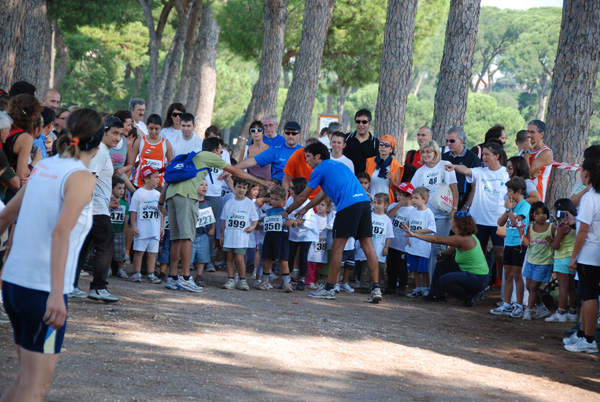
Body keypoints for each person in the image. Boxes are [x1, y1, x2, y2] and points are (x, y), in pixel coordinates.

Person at [0, 108, 99, 401]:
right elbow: (60, 232)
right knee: (36, 387)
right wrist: (57, 293)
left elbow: (6, 217)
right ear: (98, 143)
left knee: (25, 379)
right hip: (41, 291)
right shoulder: (81, 177)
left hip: (16, 285)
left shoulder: (43, 166)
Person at [158, 137, 272, 292]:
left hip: (172, 195)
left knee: (177, 239)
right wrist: (261, 181)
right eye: (220, 151)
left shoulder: (194, 156)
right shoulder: (208, 156)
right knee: (187, 238)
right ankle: (185, 278)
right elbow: (235, 171)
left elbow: (168, 180)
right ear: (214, 150)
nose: (220, 155)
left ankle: (173, 277)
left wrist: (161, 201)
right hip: (186, 196)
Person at [283, 142, 383, 303]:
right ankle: (376, 289)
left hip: (347, 206)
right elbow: (322, 193)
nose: (306, 160)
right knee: (368, 247)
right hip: (364, 203)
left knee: (337, 249)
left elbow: (302, 195)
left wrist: (287, 211)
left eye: (308, 156)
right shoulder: (338, 166)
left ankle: (329, 288)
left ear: (317, 156)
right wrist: (305, 209)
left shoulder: (319, 169)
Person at [72, 115, 124, 303]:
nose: (118, 138)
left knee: (84, 247)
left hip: (95, 207)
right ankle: (99, 287)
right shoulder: (100, 151)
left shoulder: (102, 151)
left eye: (121, 134)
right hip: (95, 209)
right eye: (114, 133)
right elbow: (90, 178)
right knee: (106, 242)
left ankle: (71, 285)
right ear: (104, 132)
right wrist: (86, 205)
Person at [446, 141, 509, 285]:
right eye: (483, 154)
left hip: (499, 221)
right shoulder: (480, 171)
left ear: (497, 156)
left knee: (500, 254)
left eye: (487, 155)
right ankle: (481, 284)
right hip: (479, 220)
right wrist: (454, 166)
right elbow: (466, 170)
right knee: (479, 253)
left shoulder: (506, 173)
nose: (484, 158)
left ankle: (505, 287)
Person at [404, 211, 489, 306]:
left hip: (478, 278)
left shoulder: (463, 239)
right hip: (476, 276)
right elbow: (452, 249)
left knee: (444, 280)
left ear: (456, 223)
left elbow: (437, 240)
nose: (450, 221)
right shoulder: (466, 236)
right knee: (443, 263)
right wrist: (443, 255)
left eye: (451, 219)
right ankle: (435, 294)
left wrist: (414, 234)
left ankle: (469, 296)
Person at [564, 156, 600, 353]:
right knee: (589, 295)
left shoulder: (589, 198)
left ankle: (588, 338)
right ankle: (583, 335)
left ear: (586, 173)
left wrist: (574, 256)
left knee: (588, 296)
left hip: (589, 253)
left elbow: (584, 231)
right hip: (597, 252)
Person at [410, 140, 458, 281]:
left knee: (438, 249)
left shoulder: (445, 165)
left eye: (428, 151)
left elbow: (454, 189)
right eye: (423, 152)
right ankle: (430, 284)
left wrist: (454, 210)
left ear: (435, 152)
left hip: (443, 216)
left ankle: (438, 284)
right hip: (426, 215)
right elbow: (412, 191)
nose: (425, 154)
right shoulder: (420, 172)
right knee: (427, 249)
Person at [490, 177, 530, 317]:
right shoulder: (511, 207)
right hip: (509, 243)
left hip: (519, 244)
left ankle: (519, 305)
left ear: (519, 191)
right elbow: (501, 223)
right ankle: (506, 304)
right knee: (507, 274)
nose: (508, 194)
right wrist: (507, 210)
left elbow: (516, 223)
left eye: (510, 191)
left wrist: (509, 209)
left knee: (517, 275)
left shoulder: (524, 205)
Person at [220, 178, 259, 291]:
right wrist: (222, 235)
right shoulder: (229, 202)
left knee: (240, 258)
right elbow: (224, 220)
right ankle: (231, 279)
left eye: (244, 188)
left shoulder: (249, 204)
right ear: (234, 187)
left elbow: (255, 219)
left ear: (247, 190)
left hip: (241, 236)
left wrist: (252, 227)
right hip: (229, 235)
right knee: (230, 257)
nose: (241, 190)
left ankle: (242, 280)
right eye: (239, 187)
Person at [235, 121, 303, 182]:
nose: (290, 136)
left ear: (299, 135)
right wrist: (231, 169)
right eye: (288, 133)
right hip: (278, 187)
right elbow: (253, 160)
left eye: (294, 133)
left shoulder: (304, 151)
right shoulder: (275, 149)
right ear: (283, 134)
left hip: (298, 186)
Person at [129, 166, 164, 284]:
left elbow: (161, 212)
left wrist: (162, 226)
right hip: (142, 229)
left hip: (154, 229)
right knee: (139, 251)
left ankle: (151, 274)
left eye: (158, 177)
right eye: (155, 177)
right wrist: (133, 225)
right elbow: (133, 211)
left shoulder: (158, 194)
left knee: (153, 252)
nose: (158, 179)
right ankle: (136, 273)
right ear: (146, 179)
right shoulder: (139, 193)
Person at [546, 199, 578, 323]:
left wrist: (550, 242)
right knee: (571, 288)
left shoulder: (562, 227)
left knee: (563, 287)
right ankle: (573, 312)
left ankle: (561, 312)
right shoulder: (575, 225)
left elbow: (556, 246)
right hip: (571, 258)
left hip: (561, 258)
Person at [521, 202, 554, 320]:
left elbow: (557, 244)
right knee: (529, 286)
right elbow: (527, 243)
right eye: (538, 214)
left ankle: (528, 311)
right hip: (531, 261)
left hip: (544, 263)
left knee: (534, 286)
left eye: (544, 213)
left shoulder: (551, 228)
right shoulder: (531, 227)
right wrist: (521, 232)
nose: (541, 216)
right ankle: (541, 307)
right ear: (533, 215)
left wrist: (551, 241)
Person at [285, 177, 318, 291]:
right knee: (290, 255)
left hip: (307, 233)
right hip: (294, 233)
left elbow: (304, 221)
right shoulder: (290, 200)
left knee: (303, 256)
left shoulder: (306, 203)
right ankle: (287, 279)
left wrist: (294, 222)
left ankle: (302, 280)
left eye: (292, 188)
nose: (290, 190)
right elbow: (286, 211)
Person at [403, 187, 436, 297]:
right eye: (412, 197)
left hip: (423, 247)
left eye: (416, 198)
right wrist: (409, 237)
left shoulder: (428, 213)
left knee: (424, 269)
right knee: (415, 269)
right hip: (413, 246)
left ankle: (427, 288)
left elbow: (432, 228)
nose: (413, 200)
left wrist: (420, 231)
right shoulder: (412, 211)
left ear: (424, 199)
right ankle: (418, 288)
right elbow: (409, 225)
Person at [257, 185, 291, 291]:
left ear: (284, 199)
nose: (273, 201)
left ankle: (286, 283)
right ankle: (265, 281)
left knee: (283, 260)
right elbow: (259, 201)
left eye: (276, 199)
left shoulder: (286, 211)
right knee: (267, 259)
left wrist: (290, 223)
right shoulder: (268, 210)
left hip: (281, 236)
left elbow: (290, 222)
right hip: (270, 236)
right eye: (271, 199)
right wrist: (263, 219)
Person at [6, 94, 43, 184]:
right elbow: (21, 175)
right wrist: (34, 162)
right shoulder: (25, 138)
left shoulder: (5, 128)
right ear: (33, 116)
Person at [442, 127, 482, 210]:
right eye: (447, 141)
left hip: (463, 200)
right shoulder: (444, 157)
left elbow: (475, 186)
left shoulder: (473, 159)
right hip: (443, 199)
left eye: (452, 141)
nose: (449, 143)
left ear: (461, 141)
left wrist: (466, 206)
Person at [386, 182, 414, 295]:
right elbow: (387, 217)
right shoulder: (394, 206)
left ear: (408, 197)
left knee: (402, 268)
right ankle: (391, 286)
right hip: (392, 243)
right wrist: (398, 205)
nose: (398, 197)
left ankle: (402, 287)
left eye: (401, 195)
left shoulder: (413, 211)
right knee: (391, 267)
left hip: (402, 245)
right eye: (398, 194)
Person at [131, 114, 173, 188]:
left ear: (161, 128)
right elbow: (131, 163)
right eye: (151, 128)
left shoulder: (166, 143)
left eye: (156, 129)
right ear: (147, 127)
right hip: (140, 184)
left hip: (158, 185)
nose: (153, 132)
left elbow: (171, 164)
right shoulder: (140, 141)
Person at [365, 134, 404, 200]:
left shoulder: (397, 166)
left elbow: (397, 189)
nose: (383, 147)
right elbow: (365, 180)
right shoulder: (369, 161)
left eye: (387, 145)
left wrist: (391, 179)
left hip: (387, 201)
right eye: (381, 144)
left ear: (391, 149)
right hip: (371, 199)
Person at [193, 179, 216, 288]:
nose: (204, 187)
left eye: (206, 185)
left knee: (203, 256)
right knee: (189, 255)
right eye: (201, 184)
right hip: (192, 234)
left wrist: (212, 228)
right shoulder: (192, 202)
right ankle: (185, 275)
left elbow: (212, 218)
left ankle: (199, 275)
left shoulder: (208, 203)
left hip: (204, 234)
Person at [306, 197, 332, 290]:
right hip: (313, 243)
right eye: (318, 204)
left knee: (318, 265)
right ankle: (309, 281)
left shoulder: (328, 218)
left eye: (322, 205)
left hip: (322, 245)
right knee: (311, 263)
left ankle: (315, 281)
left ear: (328, 208)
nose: (319, 207)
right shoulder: (314, 216)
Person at [343, 109, 379, 175]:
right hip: (346, 179)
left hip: (365, 183)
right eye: (358, 121)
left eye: (364, 122)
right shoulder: (345, 138)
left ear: (369, 123)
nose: (361, 124)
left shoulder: (376, 143)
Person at [525, 120, 553, 202]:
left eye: (532, 132)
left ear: (541, 134)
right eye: (528, 132)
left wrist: (526, 153)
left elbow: (527, 173)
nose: (528, 135)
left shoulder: (546, 153)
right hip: (522, 195)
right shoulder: (526, 148)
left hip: (536, 199)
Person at [109, 177, 130, 280]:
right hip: (108, 230)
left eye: (123, 188)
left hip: (119, 231)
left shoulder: (124, 204)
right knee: (108, 250)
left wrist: (124, 231)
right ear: (112, 189)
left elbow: (126, 219)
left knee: (120, 251)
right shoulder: (108, 201)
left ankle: (121, 269)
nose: (122, 191)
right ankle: (108, 268)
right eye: (119, 188)